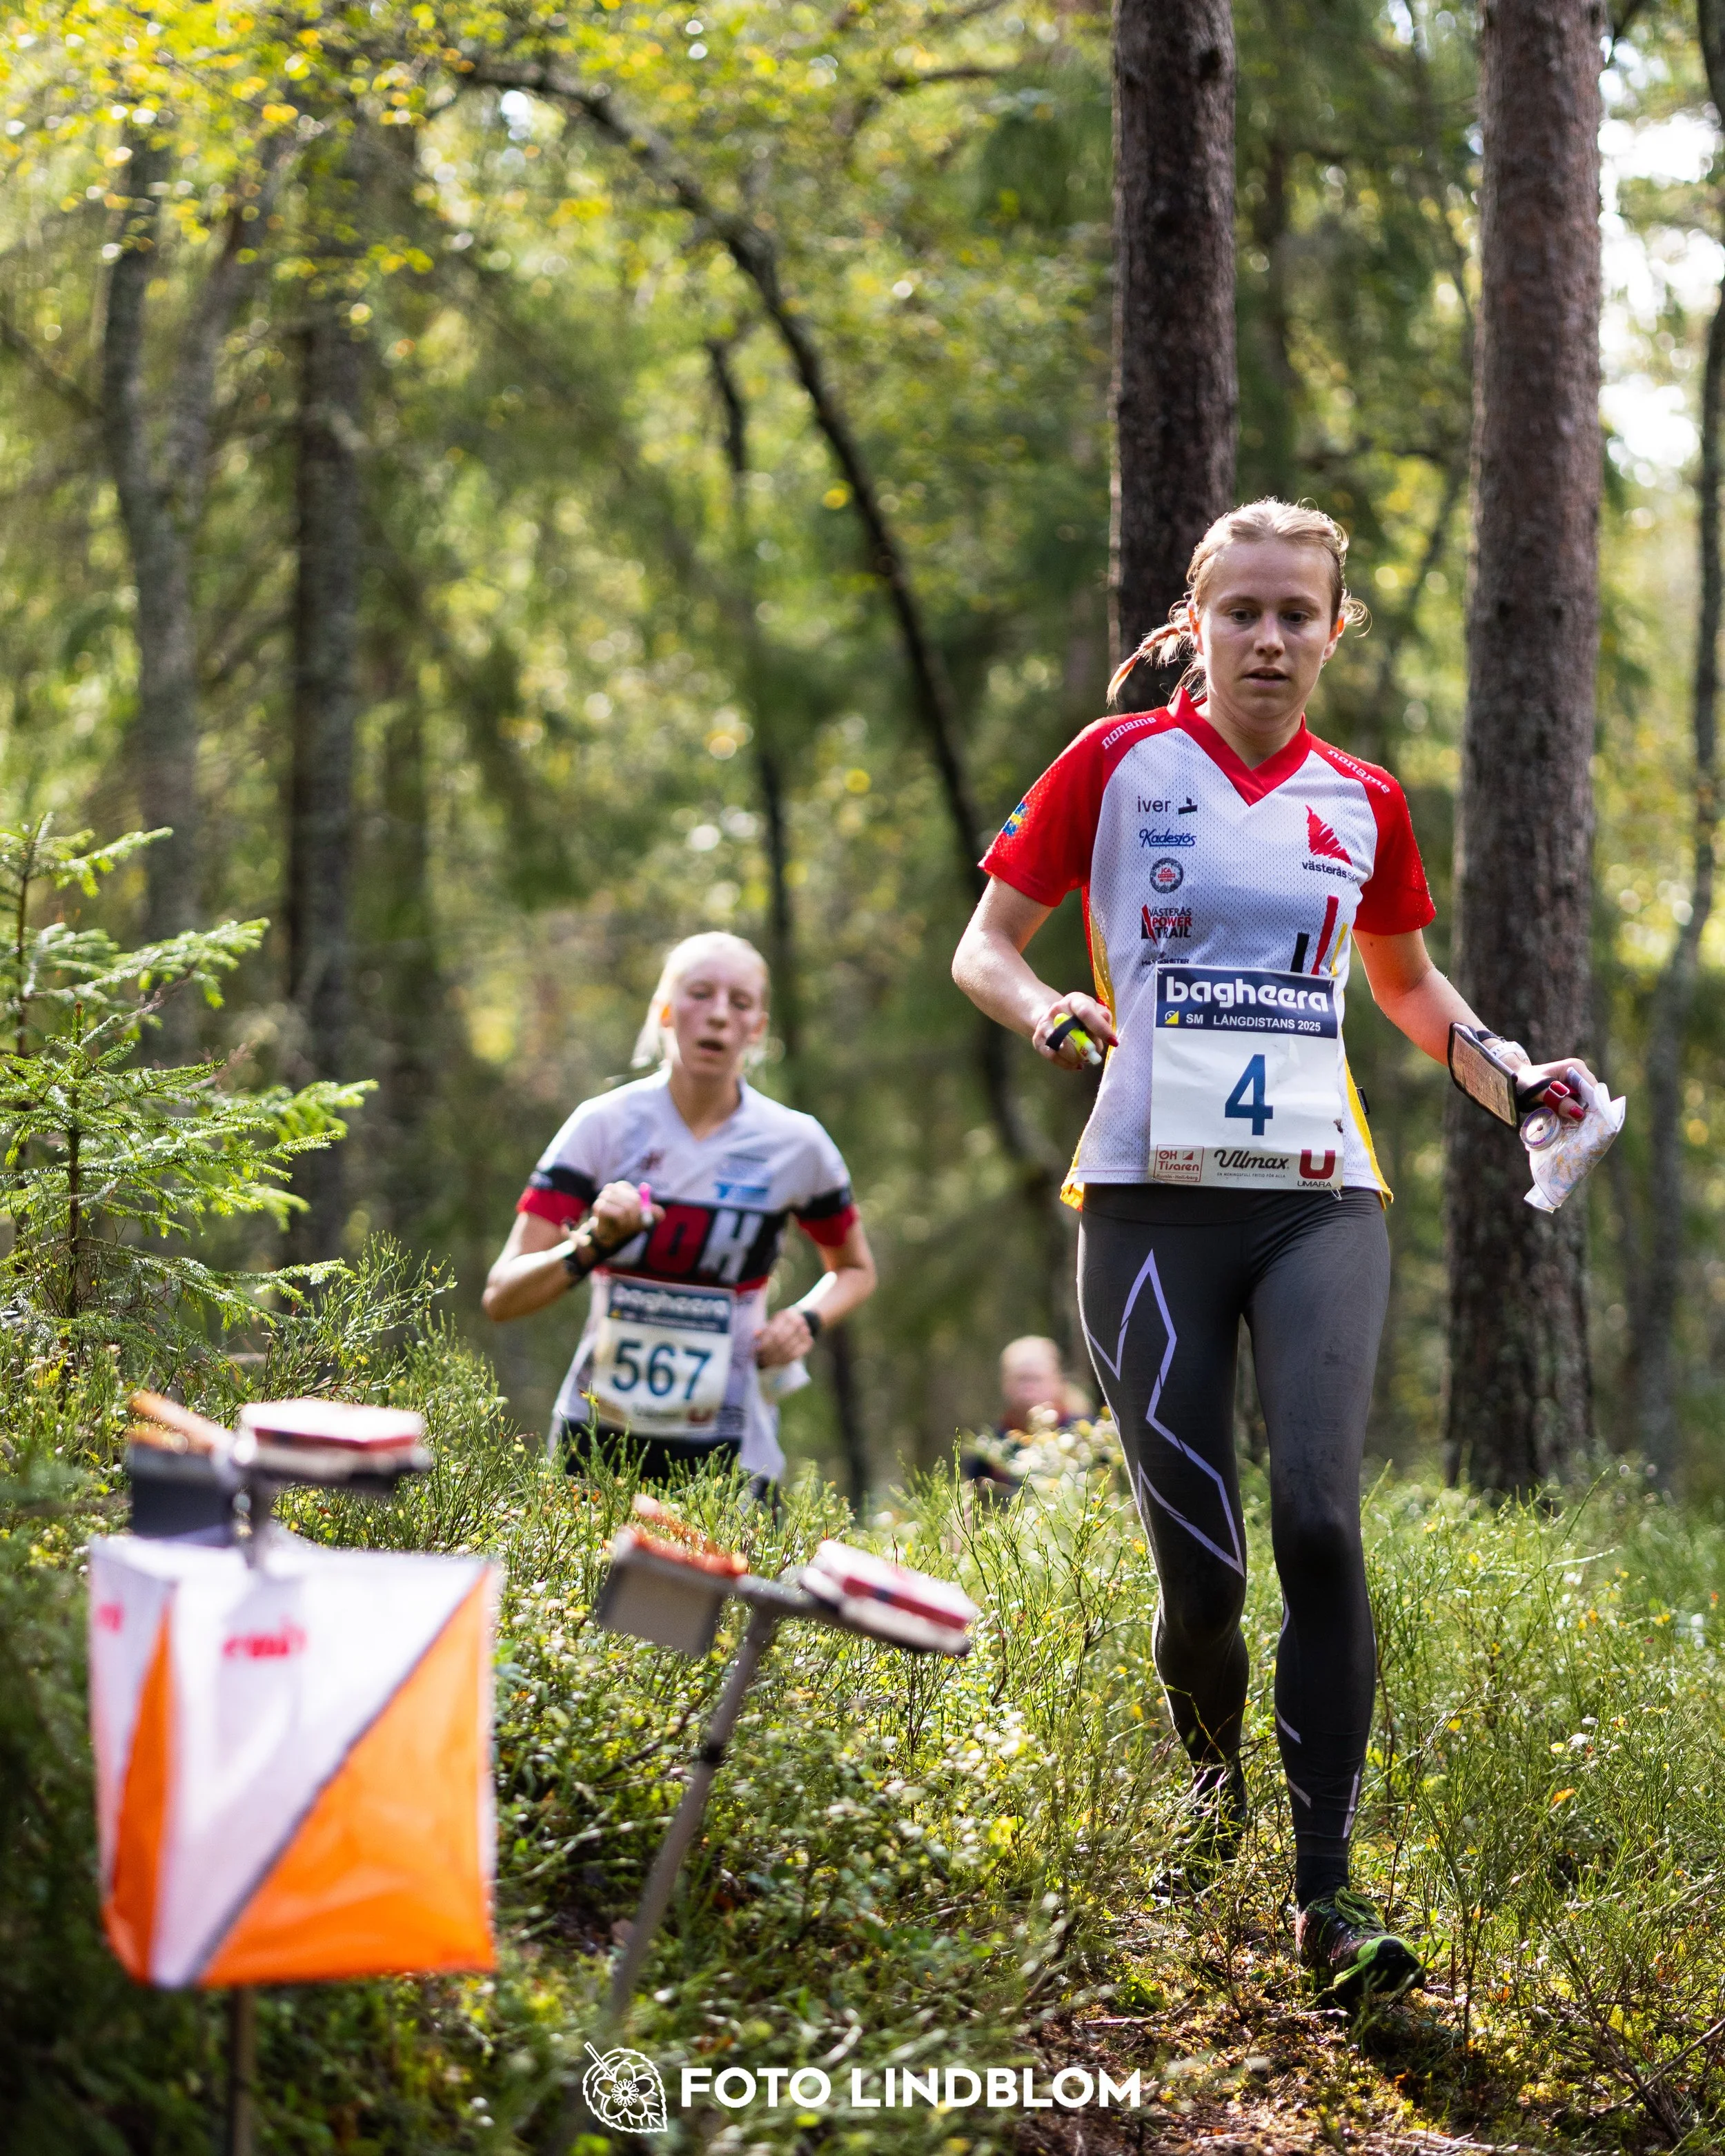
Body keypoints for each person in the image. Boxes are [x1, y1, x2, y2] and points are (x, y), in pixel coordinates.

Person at [952, 498, 1598, 2009]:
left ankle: (1324, 1885)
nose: (1267, 636)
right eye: (1239, 610)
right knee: (1202, 1573)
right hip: (1145, 1199)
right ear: (1195, 622)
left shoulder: (1361, 796)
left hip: (1317, 1196)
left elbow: (1407, 984)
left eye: (1295, 613)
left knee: (1315, 1517)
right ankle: (1206, 1799)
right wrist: (1048, 1008)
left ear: (1331, 629)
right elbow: (985, 941)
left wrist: (1516, 1079)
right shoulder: (1113, 765)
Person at [482, 931, 876, 1492]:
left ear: (757, 1028)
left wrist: (804, 1319)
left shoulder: (796, 1143)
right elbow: (501, 1294)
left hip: (732, 1442)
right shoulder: (602, 1125)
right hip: (597, 1435)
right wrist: (594, 1241)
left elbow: (856, 1269)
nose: (718, 1015)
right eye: (699, 994)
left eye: (740, 1003)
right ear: (664, 1011)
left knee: (730, 1583)